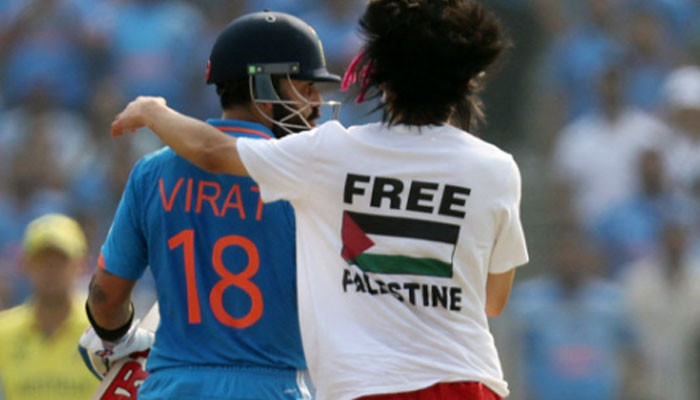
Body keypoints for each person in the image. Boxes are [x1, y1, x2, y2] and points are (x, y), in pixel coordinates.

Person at [110, 1, 529, 399]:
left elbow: (212, 152)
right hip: (468, 381)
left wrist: (151, 109)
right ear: (466, 82)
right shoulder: (497, 168)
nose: (314, 102)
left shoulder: (330, 155)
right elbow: (493, 300)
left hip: (365, 387)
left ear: (380, 79)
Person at [78, 11, 341, 400]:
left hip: (170, 387)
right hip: (276, 387)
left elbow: (105, 299)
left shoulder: (152, 173)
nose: (316, 104)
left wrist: (122, 339)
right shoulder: (309, 175)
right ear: (266, 91)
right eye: (306, 88)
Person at [0, 213, 99, 400]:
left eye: (61, 260)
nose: (50, 269)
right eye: (42, 260)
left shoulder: (102, 334)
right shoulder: (3, 332)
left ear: (81, 265)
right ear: (26, 265)